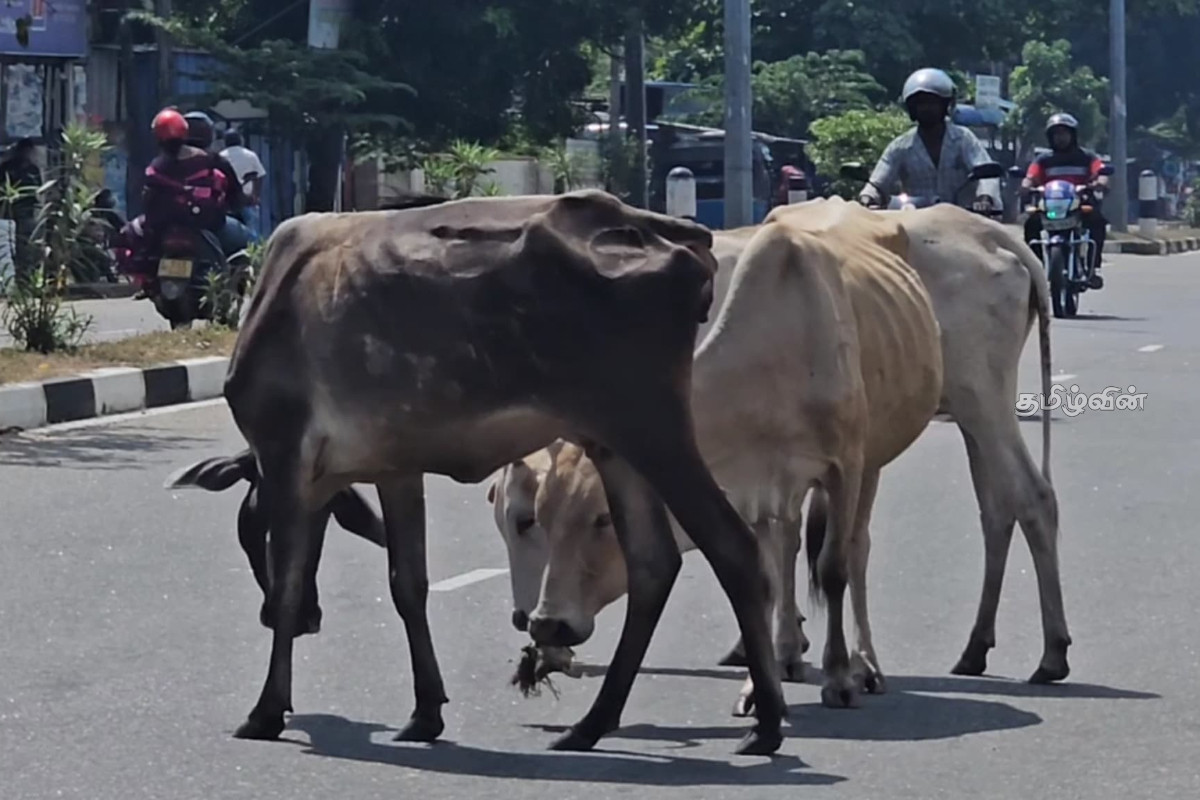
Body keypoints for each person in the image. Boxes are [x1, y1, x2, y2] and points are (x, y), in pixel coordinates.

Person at [857, 67, 1000, 212]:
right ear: (912, 108)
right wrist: (867, 197)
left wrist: (984, 198)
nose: (926, 108)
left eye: (932, 103)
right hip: (916, 222)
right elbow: (878, 182)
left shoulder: (963, 139)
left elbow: (985, 173)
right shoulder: (900, 147)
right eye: (920, 103)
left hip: (961, 221)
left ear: (945, 105)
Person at [142, 108, 251, 258]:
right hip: (207, 226)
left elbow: (147, 198)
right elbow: (235, 195)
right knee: (248, 241)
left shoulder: (157, 165)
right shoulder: (213, 160)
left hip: (164, 229)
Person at [1021, 112, 1108, 289]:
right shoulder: (1043, 159)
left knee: (1097, 222)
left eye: (1064, 133)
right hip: (1050, 204)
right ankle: (1036, 269)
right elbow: (1030, 176)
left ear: (1072, 135)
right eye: (1056, 134)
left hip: (1079, 203)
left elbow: (1100, 172)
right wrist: (1025, 185)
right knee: (1031, 223)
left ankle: (1093, 268)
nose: (1060, 138)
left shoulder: (1087, 157)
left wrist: (1100, 182)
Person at [0, 137, 42, 285]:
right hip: (10, 213)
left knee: (25, 247)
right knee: (9, 248)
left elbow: (38, 190)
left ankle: (24, 279)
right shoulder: (7, 168)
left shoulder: (32, 169)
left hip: (25, 213)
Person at [219, 128, 265, 239]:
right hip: (247, 200)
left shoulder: (221, 157)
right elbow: (260, 175)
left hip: (228, 202)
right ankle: (254, 254)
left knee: (228, 232)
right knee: (253, 232)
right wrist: (255, 195)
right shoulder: (250, 155)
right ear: (240, 140)